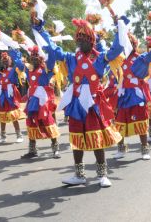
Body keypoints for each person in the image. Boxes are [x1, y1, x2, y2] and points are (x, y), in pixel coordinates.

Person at [35, 16, 123, 188]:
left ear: (91, 41)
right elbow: (52, 49)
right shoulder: (71, 58)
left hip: (93, 105)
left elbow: (117, 48)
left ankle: (102, 175)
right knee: (76, 139)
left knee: (96, 139)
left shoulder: (100, 59)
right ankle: (79, 175)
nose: (80, 42)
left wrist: (118, 26)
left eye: (84, 39)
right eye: (78, 39)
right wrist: (40, 29)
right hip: (76, 104)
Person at [114, 32, 151, 160]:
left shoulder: (141, 58)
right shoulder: (120, 59)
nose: (126, 46)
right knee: (120, 121)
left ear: (133, 45)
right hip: (123, 94)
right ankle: (121, 149)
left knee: (141, 121)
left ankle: (144, 149)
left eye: (128, 44)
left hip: (137, 94)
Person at [20, 45, 61, 159]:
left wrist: (50, 51)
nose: (33, 59)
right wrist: (16, 48)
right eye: (32, 57)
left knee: (48, 122)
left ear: (41, 58)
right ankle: (32, 150)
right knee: (30, 123)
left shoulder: (45, 70)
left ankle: (55, 149)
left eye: (36, 57)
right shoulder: (28, 71)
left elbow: (52, 63)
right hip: (32, 100)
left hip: (44, 102)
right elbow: (18, 63)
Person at [0, 51, 25, 144]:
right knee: (2, 115)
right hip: (2, 94)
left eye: (7, 60)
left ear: (10, 61)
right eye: (4, 60)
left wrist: (17, 58)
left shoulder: (14, 69)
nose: (5, 62)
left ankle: (19, 135)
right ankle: (3, 136)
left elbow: (21, 68)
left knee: (13, 115)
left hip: (10, 94)